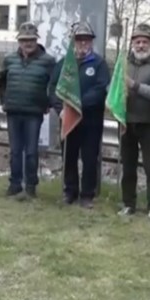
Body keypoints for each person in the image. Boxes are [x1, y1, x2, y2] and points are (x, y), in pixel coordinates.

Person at [52, 22, 109, 208]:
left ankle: (87, 195)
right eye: (79, 40)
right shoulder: (63, 64)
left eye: (86, 40)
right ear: (73, 42)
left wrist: (78, 103)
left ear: (91, 42)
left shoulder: (99, 64)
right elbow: (53, 88)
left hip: (90, 121)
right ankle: (70, 191)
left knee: (90, 158)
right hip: (67, 118)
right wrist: (61, 108)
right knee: (69, 156)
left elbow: (101, 90)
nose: (83, 43)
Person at [0, 22, 57, 199]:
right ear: (19, 41)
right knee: (15, 151)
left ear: (36, 40)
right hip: (13, 110)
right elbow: (1, 82)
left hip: (34, 112)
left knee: (31, 151)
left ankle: (31, 185)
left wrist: (48, 103)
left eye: (31, 40)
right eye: (24, 40)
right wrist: (4, 100)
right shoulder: (9, 59)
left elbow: (53, 85)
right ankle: (14, 184)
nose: (27, 43)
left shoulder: (48, 61)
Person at [119, 23, 150, 219]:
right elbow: (114, 86)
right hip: (127, 122)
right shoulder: (123, 62)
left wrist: (135, 85)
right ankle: (128, 204)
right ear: (132, 43)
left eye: (144, 42)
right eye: (137, 41)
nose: (140, 45)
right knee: (128, 165)